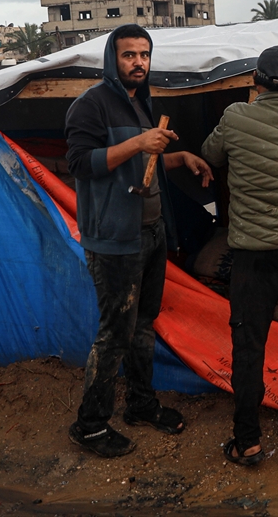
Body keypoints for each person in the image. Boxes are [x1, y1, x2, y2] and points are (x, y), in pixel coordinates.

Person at [65, 24, 213, 458]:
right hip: (114, 237)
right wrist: (138, 142)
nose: (139, 62)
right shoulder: (90, 105)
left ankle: (141, 404)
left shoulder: (141, 102)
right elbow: (81, 164)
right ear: (113, 59)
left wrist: (178, 157)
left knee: (144, 325)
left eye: (144, 54)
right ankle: (90, 425)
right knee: (115, 333)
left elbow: (141, 165)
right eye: (129, 54)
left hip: (150, 231)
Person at [200, 46, 278, 467]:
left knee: (249, 345)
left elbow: (211, 154)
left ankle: (248, 441)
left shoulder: (236, 116)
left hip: (253, 256)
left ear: (255, 80)